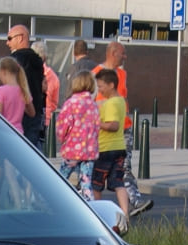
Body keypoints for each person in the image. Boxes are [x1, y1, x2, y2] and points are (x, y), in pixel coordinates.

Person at [101, 40, 151, 216]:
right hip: (104, 130)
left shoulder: (122, 74)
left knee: (125, 165)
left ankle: (134, 201)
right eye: (123, 53)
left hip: (124, 128)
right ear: (113, 53)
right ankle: (90, 204)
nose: (125, 56)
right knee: (96, 170)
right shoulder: (96, 74)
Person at [0, 57, 33, 207]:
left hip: (1, 136)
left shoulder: (1, 91)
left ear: (4, 72)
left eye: (0, 75)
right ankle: (19, 205)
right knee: (11, 175)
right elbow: (32, 112)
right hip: (18, 135)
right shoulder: (23, 90)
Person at [56, 70, 100, 200]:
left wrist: (62, 138)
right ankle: (90, 204)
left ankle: (55, 201)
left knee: (61, 179)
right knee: (86, 181)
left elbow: (63, 125)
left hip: (72, 149)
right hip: (89, 151)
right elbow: (97, 126)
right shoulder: (93, 105)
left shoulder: (71, 103)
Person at [93, 68, 131, 218]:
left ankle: (97, 213)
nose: (99, 90)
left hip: (105, 148)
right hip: (119, 147)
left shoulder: (111, 104)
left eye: (101, 86)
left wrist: (97, 123)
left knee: (96, 184)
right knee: (118, 182)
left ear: (111, 85)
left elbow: (113, 125)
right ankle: (125, 213)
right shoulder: (121, 101)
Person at [5, 25, 46, 146]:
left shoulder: (13, 61)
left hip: (16, 114)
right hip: (34, 110)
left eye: (9, 38)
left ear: (20, 38)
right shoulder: (38, 61)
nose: (7, 43)